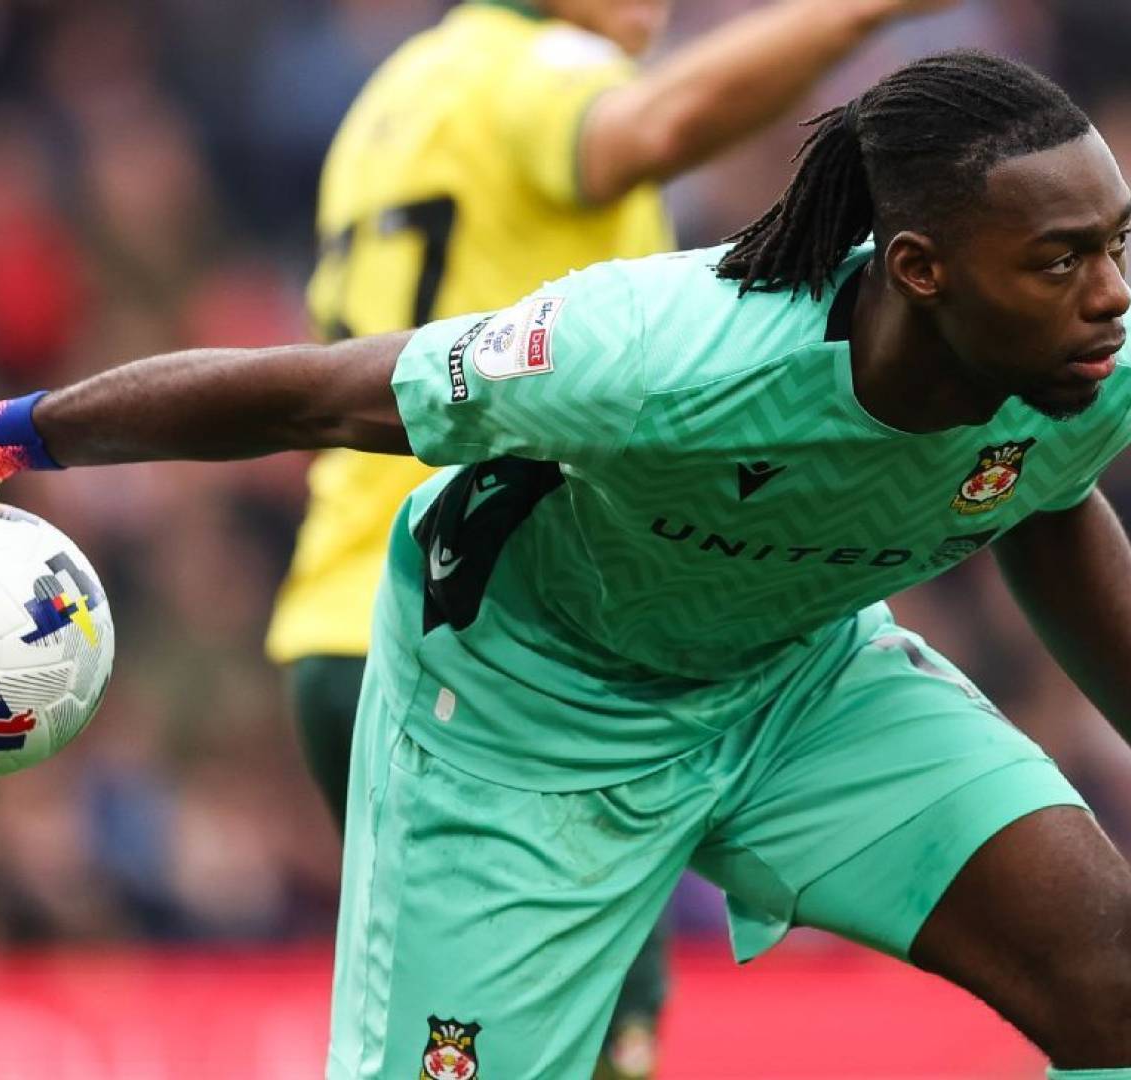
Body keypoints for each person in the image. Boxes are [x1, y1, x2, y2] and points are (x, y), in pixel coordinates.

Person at [0, 50, 1131, 1080]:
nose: (1114, 295)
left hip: (795, 681)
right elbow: (319, 392)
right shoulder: (657, 351)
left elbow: (1043, 500)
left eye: (1116, 244)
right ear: (917, 267)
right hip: (520, 720)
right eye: (1062, 259)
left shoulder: (1100, 366)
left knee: (1130, 968)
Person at [268, 2, 948, 1071]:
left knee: (478, 1048)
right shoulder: (544, 61)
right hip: (487, 640)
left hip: (344, 629)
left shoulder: (395, 98)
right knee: (581, 1047)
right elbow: (652, 128)